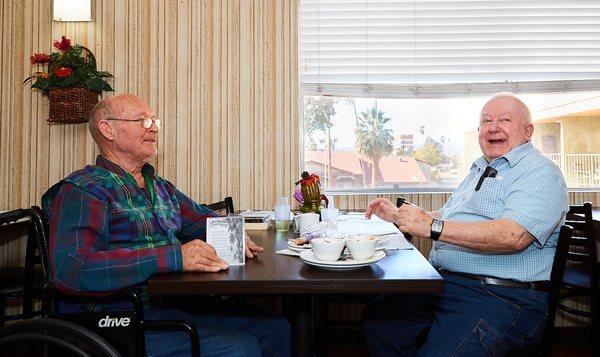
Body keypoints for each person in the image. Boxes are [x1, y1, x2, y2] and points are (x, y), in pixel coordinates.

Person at [42, 93, 290, 357]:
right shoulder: (85, 190)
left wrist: (233, 230)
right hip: (115, 318)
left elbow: (197, 217)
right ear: (108, 129)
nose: (155, 128)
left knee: (275, 328)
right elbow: (71, 271)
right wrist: (175, 257)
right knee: (239, 347)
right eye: (142, 121)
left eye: (154, 120)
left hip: (168, 305)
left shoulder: (158, 186)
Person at [362, 92, 568, 356]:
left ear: (528, 131)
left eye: (505, 120)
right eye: (487, 121)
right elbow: (446, 218)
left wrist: (430, 226)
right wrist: (399, 217)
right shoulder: (480, 169)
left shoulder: (540, 172)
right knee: (379, 320)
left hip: (504, 296)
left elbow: (513, 234)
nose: (494, 127)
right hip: (447, 285)